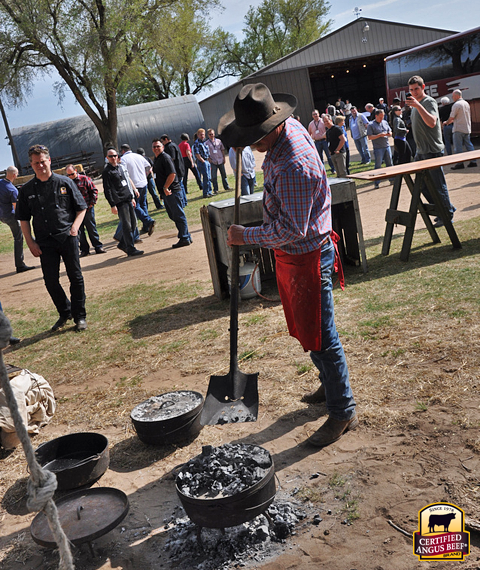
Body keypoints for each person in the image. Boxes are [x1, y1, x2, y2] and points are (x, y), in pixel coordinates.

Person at [220, 83, 357, 447]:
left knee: (323, 335)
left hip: (307, 253)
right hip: (294, 253)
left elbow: (290, 230)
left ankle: (343, 411)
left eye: (256, 138)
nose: (252, 144)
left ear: (275, 125)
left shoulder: (294, 162)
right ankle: (329, 385)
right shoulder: (285, 129)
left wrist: (243, 236)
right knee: (308, 329)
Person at [15, 144, 88, 332]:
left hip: (67, 237)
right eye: (36, 163)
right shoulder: (27, 190)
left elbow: (81, 208)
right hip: (44, 243)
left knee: (76, 277)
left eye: (43, 161)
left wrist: (74, 229)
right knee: (50, 281)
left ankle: (80, 316)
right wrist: (30, 242)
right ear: (31, 165)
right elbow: (23, 219)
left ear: (49, 160)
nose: (40, 165)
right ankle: (65, 312)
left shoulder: (65, 182)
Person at [405, 75, 456, 228]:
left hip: (432, 151)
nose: (414, 92)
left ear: (423, 87)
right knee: (421, 186)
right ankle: (444, 209)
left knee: (437, 185)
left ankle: (446, 214)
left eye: (416, 89)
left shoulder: (428, 102)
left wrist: (417, 106)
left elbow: (432, 122)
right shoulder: (416, 104)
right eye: (411, 90)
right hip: (421, 152)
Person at [102, 148, 144, 258]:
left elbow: (127, 182)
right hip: (120, 202)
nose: (113, 158)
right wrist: (112, 205)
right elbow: (107, 190)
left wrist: (132, 197)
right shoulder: (107, 171)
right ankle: (130, 249)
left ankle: (122, 244)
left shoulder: (121, 167)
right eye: (110, 156)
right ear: (107, 158)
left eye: (115, 155)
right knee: (127, 225)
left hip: (128, 199)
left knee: (134, 223)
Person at [152, 140, 192, 248]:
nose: (156, 148)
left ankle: (184, 237)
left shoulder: (165, 158)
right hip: (166, 193)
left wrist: (166, 187)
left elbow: (172, 173)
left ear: (163, 147)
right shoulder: (157, 159)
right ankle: (186, 235)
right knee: (173, 215)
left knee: (178, 214)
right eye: (154, 147)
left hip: (172, 191)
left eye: (158, 146)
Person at [65, 165, 106, 257]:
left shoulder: (84, 179)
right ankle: (84, 250)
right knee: (79, 231)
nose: (71, 176)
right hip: (75, 211)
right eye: (69, 175)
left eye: (72, 174)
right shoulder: (67, 183)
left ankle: (98, 246)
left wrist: (92, 203)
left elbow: (94, 190)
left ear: (76, 171)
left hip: (87, 208)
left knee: (91, 228)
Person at [0, 166, 35, 274]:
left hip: (2, 216)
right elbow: (17, 209)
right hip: (11, 216)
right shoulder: (12, 189)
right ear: (15, 175)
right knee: (19, 238)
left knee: (21, 234)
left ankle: (37, 244)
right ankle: (20, 265)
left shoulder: (1, 182)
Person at [120, 143, 155, 236]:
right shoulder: (138, 156)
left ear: (123, 151)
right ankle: (146, 226)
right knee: (143, 204)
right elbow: (148, 167)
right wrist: (145, 176)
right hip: (143, 183)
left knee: (135, 206)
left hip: (134, 185)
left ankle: (148, 221)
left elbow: (124, 173)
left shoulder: (123, 159)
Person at [445, 89, 477, 169]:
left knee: (458, 147)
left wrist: (446, 122)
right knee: (469, 145)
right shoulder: (466, 103)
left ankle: (460, 163)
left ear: (456, 96)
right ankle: (473, 161)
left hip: (458, 128)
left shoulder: (456, 105)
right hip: (467, 127)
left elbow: (452, 117)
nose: (452, 98)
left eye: (453, 96)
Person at [367, 109, 393, 189]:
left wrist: (389, 134)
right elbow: (370, 137)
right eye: (380, 117)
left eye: (383, 117)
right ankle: (377, 182)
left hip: (386, 146)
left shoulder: (385, 122)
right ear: (376, 116)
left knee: (390, 164)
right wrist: (379, 135)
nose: (381, 118)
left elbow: (390, 131)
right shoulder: (371, 125)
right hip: (378, 148)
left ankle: (392, 179)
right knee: (378, 165)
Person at [160, 134, 188, 206]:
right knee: (181, 186)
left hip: (176, 170)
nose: (162, 143)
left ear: (166, 139)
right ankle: (184, 201)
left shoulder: (169, 147)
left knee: (179, 187)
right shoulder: (174, 145)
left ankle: (182, 202)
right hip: (179, 169)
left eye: (162, 141)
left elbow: (172, 158)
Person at [307, 109, 335, 174]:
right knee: (319, 157)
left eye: (316, 114)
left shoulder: (323, 121)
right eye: (314, 114)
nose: (315, 115)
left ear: (318, 114)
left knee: (329, 156)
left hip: (324, 141)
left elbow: (328, 129)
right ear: (312, 116)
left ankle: (333, 168)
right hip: (316, 142)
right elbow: (309, 133)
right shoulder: (311, 124)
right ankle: (322, 171)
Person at [206, 128, 231, 194]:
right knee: (214, 177)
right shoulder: (206, 143)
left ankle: (226, 186)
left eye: (212, 134)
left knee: (224, 174)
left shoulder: (219, 141)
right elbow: (206, 152)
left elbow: (222, 149)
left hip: (220, 160)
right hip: (213, 161)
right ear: (208, 135)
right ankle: (215, 189)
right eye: (210, 134)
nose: (211, 135)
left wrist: (224, 157)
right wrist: (209, 159)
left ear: (214, 134)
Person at [192, 128, 213, 198]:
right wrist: (202, 161)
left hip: (206, 160)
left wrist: (208, 159)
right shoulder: (197, 143)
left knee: (209, 177)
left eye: (203, 135)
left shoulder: (205, 142)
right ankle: (205, 193)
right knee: (206, 177)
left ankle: (210, 191)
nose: (202, 136)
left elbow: (207, 151)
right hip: (202, 162)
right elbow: (197, 153)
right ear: (198, 135)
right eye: (201, 135)